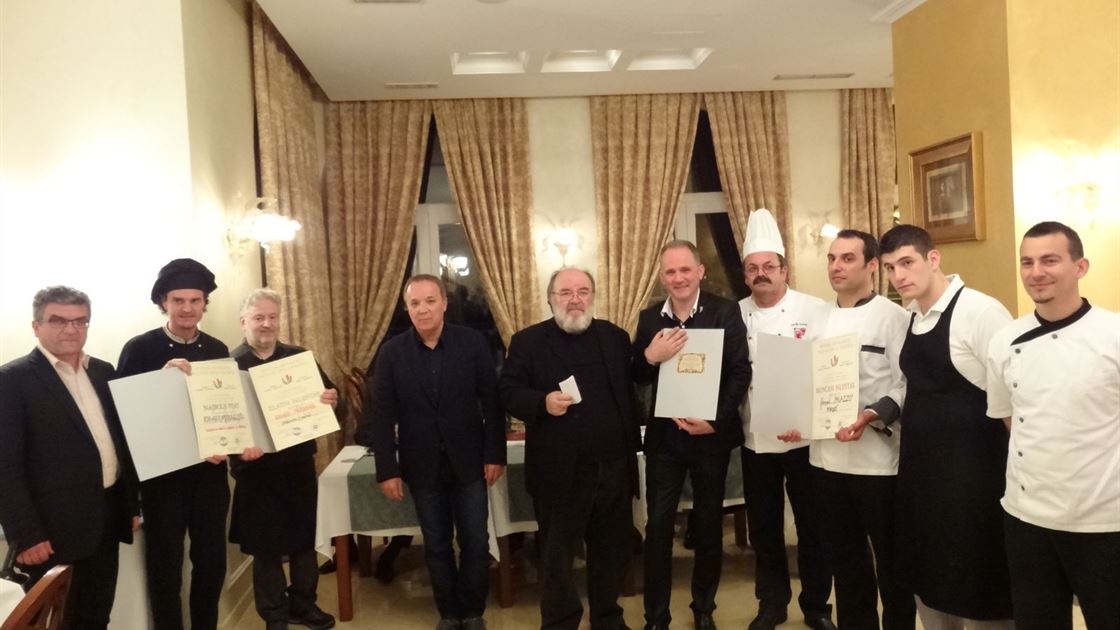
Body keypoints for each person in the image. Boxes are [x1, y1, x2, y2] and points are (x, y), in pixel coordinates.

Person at [779, 230, 915, 629]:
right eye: (832, 258)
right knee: (846, 561)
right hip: (826, 462)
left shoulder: (894, 318)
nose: (836, 267)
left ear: (872, 266)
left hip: (878, 462)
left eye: (847, 258)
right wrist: (794, 419)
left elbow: (906, 384)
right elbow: (804, 381)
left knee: (892, 563)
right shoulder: (816, 318)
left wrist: (872, 413)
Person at [985, 221, 1119, 630]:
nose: (1036, 272)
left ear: (1080, 266)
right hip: (1026, 516)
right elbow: (1009, 417)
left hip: (1102, 520)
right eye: (1027, 262)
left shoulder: (1113, 334)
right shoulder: (1005, 340)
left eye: (1049, 260)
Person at [879, 225, 1013, 629]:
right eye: (890, 267)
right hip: (922, 474)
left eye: (907, 262)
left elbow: (1013, 397)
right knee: (929, 572)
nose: (899, 275)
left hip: (975, 477)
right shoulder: (909, 317)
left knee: (978, 578)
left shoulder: (981, 312)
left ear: (933, 259)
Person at [359, 274, 506, 630]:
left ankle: (472, 610)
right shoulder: (392, 353)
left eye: (429, 301)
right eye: (415, 303)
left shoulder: (472, 343)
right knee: (437, 544)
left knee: (475, 542)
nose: (423, 309)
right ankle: (449, 613)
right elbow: (382, 416)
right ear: (406, 308)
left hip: (469, 461)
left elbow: (492, 402)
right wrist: (387, 469)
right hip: (421, 465)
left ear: (443, 303)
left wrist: (495, 454)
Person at [499, 267, 640, 630]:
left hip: (613, 467)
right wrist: (542, 402)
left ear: (593, 296)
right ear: (550, 299)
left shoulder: (615, 337)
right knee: (557, 557)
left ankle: (607, 618)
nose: (575, 299)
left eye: (583, 291)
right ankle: (560, 622)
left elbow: (631, 392)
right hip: (559, 472)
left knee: (610, 551)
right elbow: (508, 392)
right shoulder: (528, 341)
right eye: (565, 292)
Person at [0, 286, 140, 629]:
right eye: (58, 320)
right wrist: (26, 535)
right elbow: (5, 466)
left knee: (96, 616)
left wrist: (130, 506)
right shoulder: (12, 380)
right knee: (56, 623)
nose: (71, 329)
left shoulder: (102, 371)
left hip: (105, 520)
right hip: (51, 533)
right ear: (36, 326)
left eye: (80, 321)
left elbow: (120, 443)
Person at [634, 240, 751, 630]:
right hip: (665, 440)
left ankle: (704, 609)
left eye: (685, 269)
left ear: (700, 271)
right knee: (657, 527)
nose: (678, 277)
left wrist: (715, 420)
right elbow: (636, 375)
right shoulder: (650, 318)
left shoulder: (724, 311)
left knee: (708, 525)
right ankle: (656, 616)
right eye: (670, 271)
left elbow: (740, 371)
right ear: (662, 276)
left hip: (709, 437)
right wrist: (649, 357)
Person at [116, 258, 232, 630]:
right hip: (162, 481)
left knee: (212, 564)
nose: (186, 308)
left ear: (204, 304)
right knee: (165, 569)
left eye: (194, 300)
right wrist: (160, 383)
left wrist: (230, 440)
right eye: (178, 300)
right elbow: (125, 420)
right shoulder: (139, 349)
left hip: (209, 477)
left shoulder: (217, 348)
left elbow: (226, 410)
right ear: (163, 302)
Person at [737, 209, 834, 630]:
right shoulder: (734, 314)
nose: (761, 274)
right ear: (745, 275)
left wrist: (808, 418)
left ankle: (817, 607)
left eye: (768, 266)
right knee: (764, 528)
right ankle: (771, 604)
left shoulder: (816, 310)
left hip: (804, 438)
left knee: (812, 527)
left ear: (784, 270)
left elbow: (828, 370)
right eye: (753, 268)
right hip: (754, 438)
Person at [229, 288, 340, 630]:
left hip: (297, 468)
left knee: (304, 542)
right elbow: (220, 425)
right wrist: (238, 447)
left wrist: (332, 400)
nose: (267, 324)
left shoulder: (299, 359)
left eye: (272, 317)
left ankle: (304, 606)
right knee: (265, 550)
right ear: (244, 321)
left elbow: (332, 405)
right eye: (259, 318)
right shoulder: (229, 366)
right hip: (255, 473)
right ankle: (275, 615)